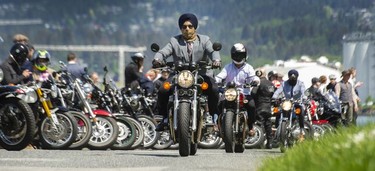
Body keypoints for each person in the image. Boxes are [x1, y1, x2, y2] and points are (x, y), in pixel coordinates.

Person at [153, 13, 221, 131]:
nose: (187, 29)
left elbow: (213, 51)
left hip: (201, 75)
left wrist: (216, 60)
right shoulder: (174, 41)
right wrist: (157, 59)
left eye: (190, 26)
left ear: (195, 27)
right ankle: (164, 118)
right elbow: (163, 52)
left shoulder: (205, 40)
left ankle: (214, 117)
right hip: (179, 76)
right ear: (181, 28)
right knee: (163, 89)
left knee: (214, 89)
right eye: (184, 27)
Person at [215, 43, 259, 136]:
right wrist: (216, 80)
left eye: (240, 55)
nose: (238, 57)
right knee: (219, 104)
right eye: (236, 55)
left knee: (251, 106)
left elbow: (254, 77)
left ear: (245, 55)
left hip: (244, 92)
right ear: (232, 55)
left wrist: (255, 81)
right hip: (229, 93)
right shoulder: (228, 67)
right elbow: (220, 76)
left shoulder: (248, 68)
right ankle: (218, 125)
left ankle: (251, 126)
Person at [272, 69, 306, 142]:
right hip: (287, 103)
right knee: (278, 112)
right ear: (288, 77)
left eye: (294, 77)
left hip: (297, 103)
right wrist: (274, 97)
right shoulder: (284, 83)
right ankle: (277, 132)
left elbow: (303, 92)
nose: (292, 79)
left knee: (301, 112)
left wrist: (304, 97)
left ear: (297, 77)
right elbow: (278, 91)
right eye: (291, 77)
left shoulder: (300, 83)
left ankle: (301, 130)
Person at [251, 68, 274, 149]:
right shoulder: (270, 83)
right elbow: (272, 94)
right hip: (268, 106)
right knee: (268, 125)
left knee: (260, 124)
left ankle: (260, 143)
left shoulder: (258, 82)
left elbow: (253, 93)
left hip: (260, 106)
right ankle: (269, 143)